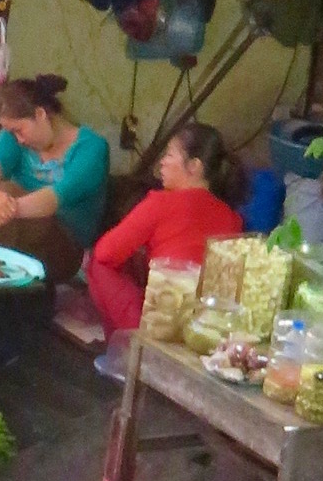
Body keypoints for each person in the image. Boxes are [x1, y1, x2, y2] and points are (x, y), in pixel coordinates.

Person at [85, 119, 241, 351]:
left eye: (169, 155)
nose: (162, 164)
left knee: (97, 264)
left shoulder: (162, 202)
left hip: (165, 324)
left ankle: (125, 349)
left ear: (194, 166)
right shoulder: (232, 217)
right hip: (209, 329)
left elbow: (106, 252)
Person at [0, 74, 108, 284]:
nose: (18, 139)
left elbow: (53, 199)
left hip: (65, 248)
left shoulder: (91, 148)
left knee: (9, 193)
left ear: (40, 114)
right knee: (3, 191)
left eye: (19, 130)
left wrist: (4, 212)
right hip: (13, 233)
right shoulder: (14, 137)